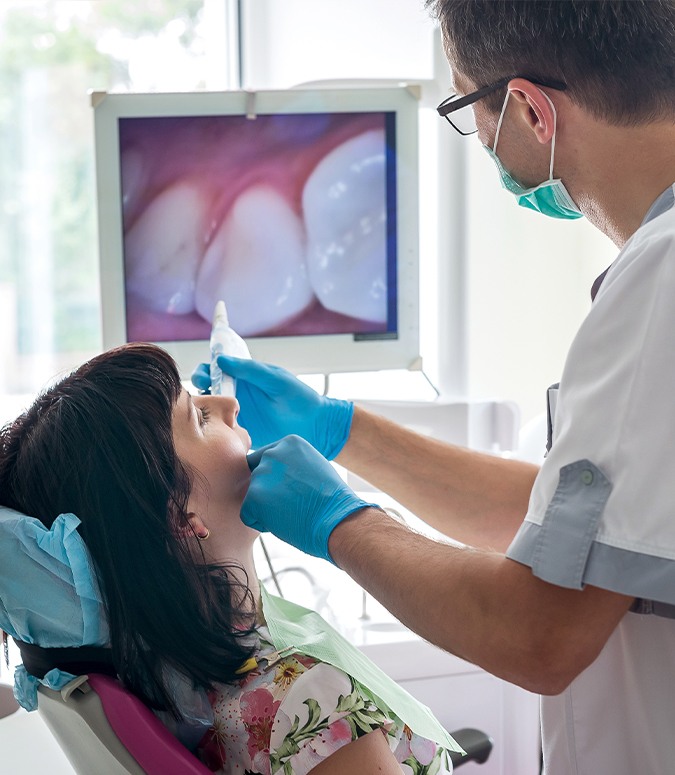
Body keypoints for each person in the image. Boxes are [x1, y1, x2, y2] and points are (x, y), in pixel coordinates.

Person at [191, 2, 675, 773]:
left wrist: (341, 521)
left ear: (528, 108)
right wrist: (340, 429)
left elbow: (539, 632)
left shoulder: (660, 281)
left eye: (463, 105)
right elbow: (579, 534)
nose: (477, 138)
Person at [0, 343, 455, 774]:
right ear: (180, 516)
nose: (229, 405)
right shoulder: (307, 696)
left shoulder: (183, 687)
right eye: (199, 416)